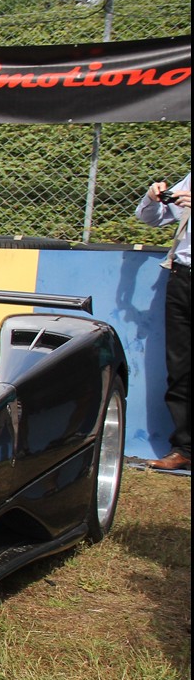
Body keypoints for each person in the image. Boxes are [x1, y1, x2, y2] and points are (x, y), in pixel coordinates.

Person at [137, 172, 190, 472]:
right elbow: (151, 218)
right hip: (182, 276)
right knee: (180, 367)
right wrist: (152, 196)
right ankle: (184, 448)